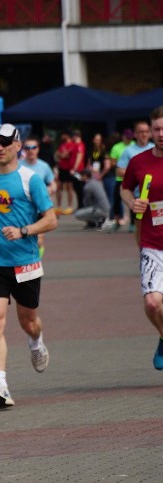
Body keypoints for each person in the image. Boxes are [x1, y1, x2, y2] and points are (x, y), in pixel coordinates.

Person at [0, 124, 57, 410]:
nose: (0, 148)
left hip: (25, 262)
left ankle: (36, 341)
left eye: (6, 143)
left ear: (17, 145)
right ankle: (0, 385)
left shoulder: (30, 180)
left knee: (28, 321)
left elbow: (51, 219)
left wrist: (24, 230)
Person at [120, 106, 163, 369]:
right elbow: (124, 189)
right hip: (152, 243)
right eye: (157, 129)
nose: (161, 134)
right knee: (151, 302)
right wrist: (133, 202)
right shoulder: (139, 162)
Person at [117, 120, 154, 241]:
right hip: (139, 196)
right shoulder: (129, 151)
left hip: (156, 195)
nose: (144, 134)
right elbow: (119, 171)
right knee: (141, 229)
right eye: (140, 132)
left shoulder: (155, 148)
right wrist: (138, 173)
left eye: (146, 132)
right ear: (135, 134)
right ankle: (144, 252)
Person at [20, 137, 56, 255]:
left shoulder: (44, 166)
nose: (31, 150)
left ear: (38, 149)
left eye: (33, 147)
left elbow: (52, 182)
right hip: (23, 207)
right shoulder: (18, 166)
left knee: (39, 240)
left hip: (40, 207)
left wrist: (52, 189)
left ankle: (36, 260)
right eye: (27, 148)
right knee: (23, 237)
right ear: (24, 150)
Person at [101, 129, 133, 232]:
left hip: (134, 178)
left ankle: (133, 223)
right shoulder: (117, 147)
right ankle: (117, 220)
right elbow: (113, 162)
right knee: (116, 200)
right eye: (127, 137)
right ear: (123, 137)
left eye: (130, 138)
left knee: (134, 200)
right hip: (120, 177)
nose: (129, 140)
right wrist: (123, 166)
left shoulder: (134, 145)